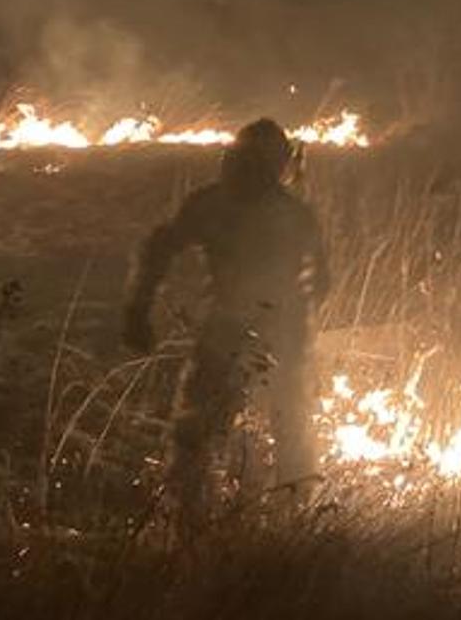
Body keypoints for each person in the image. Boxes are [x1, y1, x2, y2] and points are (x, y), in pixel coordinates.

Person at [123, 118, 331, 528]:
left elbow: (159, 250)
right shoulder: (284, 212)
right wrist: (137, 308)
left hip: (255, 330)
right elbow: (321, 280)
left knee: (228, 430)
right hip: (259, 330)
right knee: (272, 427)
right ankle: (273, 518)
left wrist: (138, 309)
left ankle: (202, 520)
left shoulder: (228, 205)